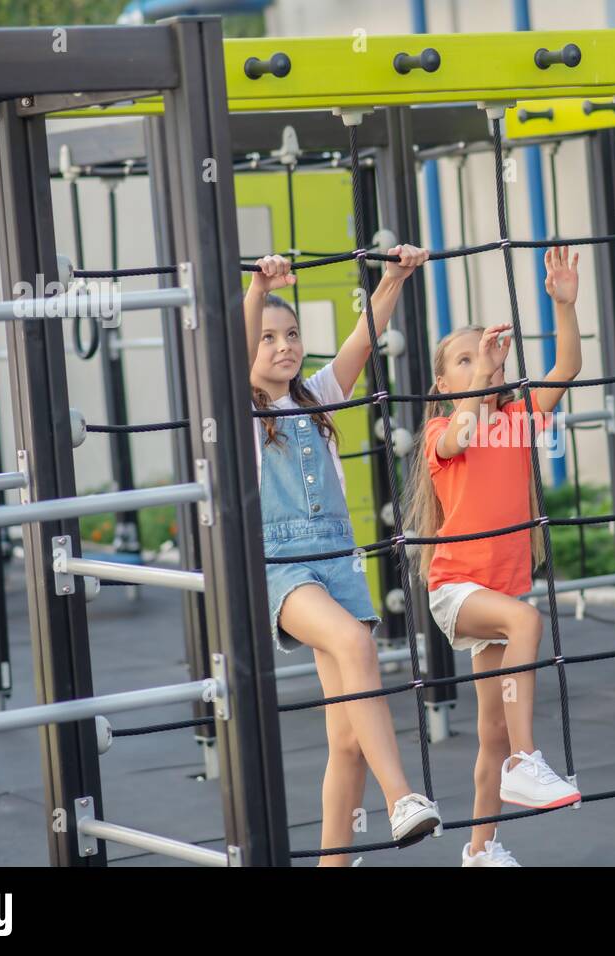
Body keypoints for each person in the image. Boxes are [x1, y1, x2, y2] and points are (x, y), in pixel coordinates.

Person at [246, 249, 440, 865]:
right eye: (268, 337)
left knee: (346, 742)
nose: (283, 346)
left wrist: (393, 278)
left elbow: (365, 336)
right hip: (284, 568)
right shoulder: (245, 413)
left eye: (292, 334)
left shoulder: (318, 397)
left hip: (339, 562)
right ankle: (402, 796)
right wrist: (258, 288)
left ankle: (333, 862)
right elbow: (229, 348)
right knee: (357, 647)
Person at [403, 246, 585, 867]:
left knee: (491, 730)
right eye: (464, 358)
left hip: (499, 596)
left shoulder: (513, 419)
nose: (480, 361)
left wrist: (564, 304)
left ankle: (480, 849)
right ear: (444, 384)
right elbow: (463, 430)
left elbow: (566, 367)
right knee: (529, 623)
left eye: (485, 351)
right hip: (457, 591)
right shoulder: (443, 433)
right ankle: (524, 763)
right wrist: (481, 379)